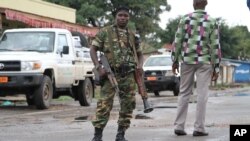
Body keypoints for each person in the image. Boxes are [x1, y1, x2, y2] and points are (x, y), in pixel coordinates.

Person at [90, 6, 144, 141]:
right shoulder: (105, 32)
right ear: (116, 16)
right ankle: (97, 136)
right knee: (104, 104)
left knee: (128, 105)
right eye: (120, 15)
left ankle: (121, 135)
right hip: (110, 74)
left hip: (129, 75)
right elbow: (93, 49)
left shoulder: (132, 35)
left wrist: (140, 66)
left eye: (125, 16)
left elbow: (140, 53)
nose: (123, 18)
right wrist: (98, 66)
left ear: (129, 18)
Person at [171, 0, 222, 137]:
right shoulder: (211, 21)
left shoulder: (185, 19)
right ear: (206, 4)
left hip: (187, 60)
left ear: (193, 4)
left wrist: (174, 60)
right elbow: (215, 46)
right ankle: (199, 128)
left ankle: (179, 126)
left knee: (184, 93)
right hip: (204, 62)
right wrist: (216, 68)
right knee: (202, 94)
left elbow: (178, 41)